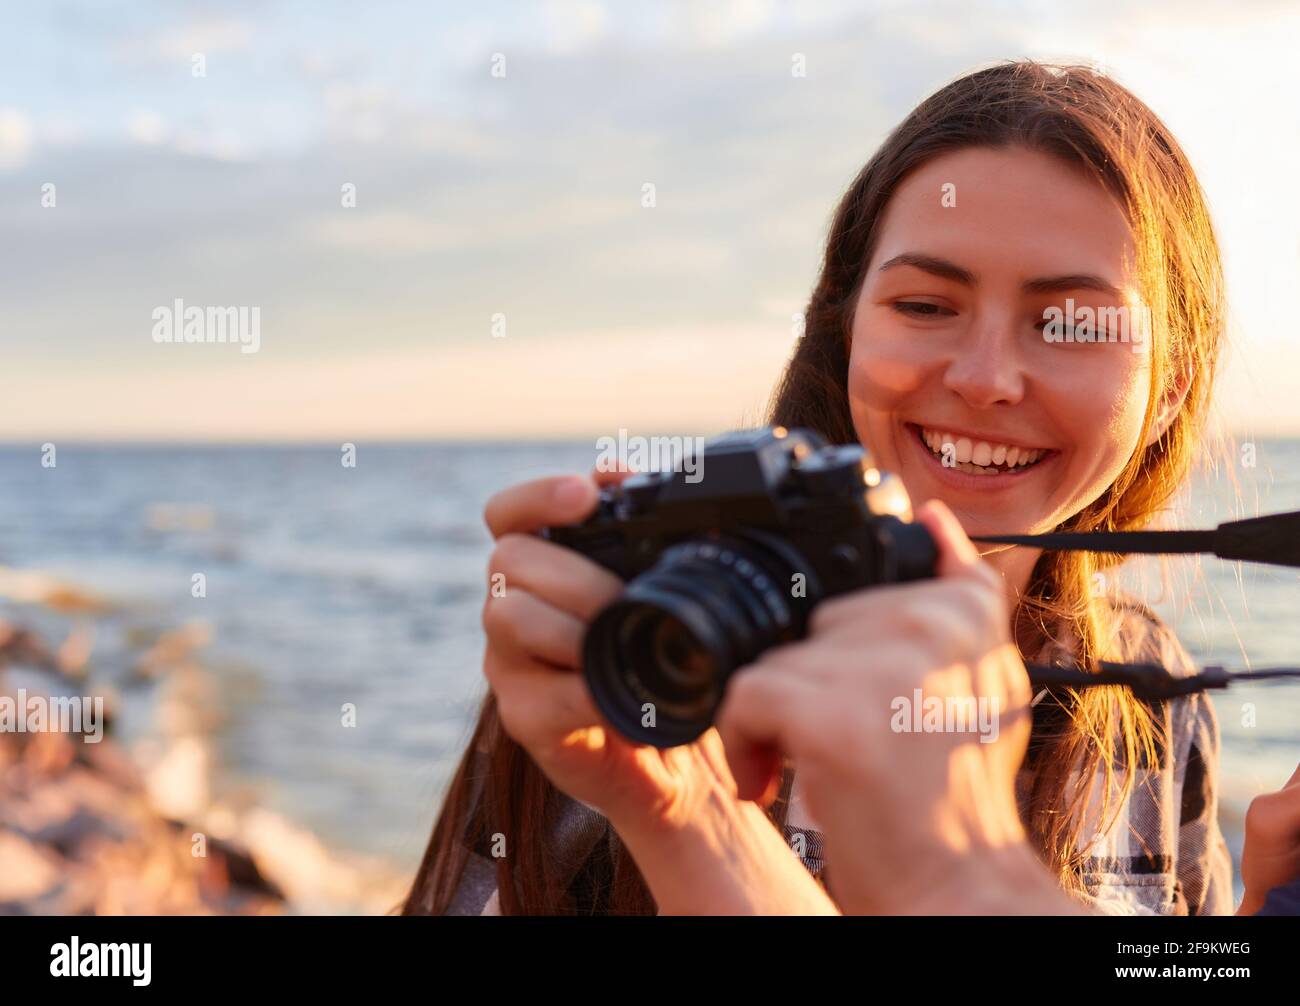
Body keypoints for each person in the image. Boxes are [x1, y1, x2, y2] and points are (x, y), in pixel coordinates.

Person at [403, 60, 1234, 915]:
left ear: (1173, 382)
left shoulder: (1149, 690)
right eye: (924, 306)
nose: (988, 379)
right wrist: (686, 806)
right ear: (845, 330)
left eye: (1068, 323)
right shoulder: (647, 653)